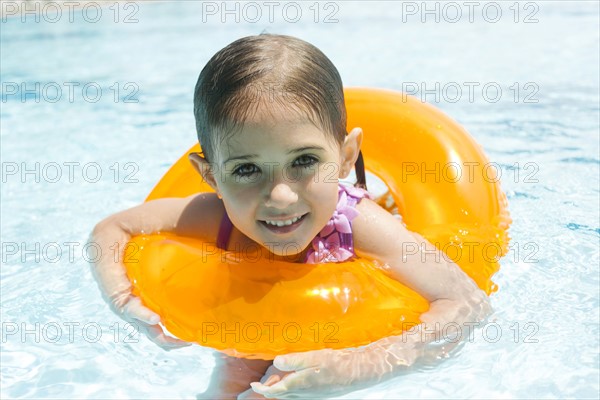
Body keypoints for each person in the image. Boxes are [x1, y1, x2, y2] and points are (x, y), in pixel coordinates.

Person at [89, 34, 491, 400]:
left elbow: (466, 302)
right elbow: (111, 229)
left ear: (346, 157)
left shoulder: (355, 223)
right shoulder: (214, 216)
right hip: (251, 331)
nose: (280, 196)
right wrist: (123, 301)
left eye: (304, 161)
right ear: (211, 176)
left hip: (347, 332)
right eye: (247, 169)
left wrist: (358, 368)